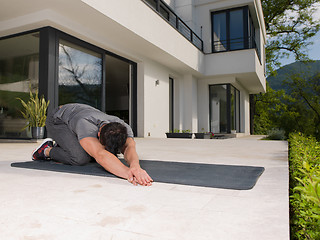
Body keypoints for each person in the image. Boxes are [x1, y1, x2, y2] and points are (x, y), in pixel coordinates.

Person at [32, 103, 153, 186]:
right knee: (80, 158)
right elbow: (100, 154)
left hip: (78, 115)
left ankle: (66, 144)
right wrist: (128, 173)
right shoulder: (85, 125)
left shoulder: (123, 127)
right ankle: (46, 150)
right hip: (58, 120)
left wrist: (135, 167)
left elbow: (129, 148)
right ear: (98, 134)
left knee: (105, 153)